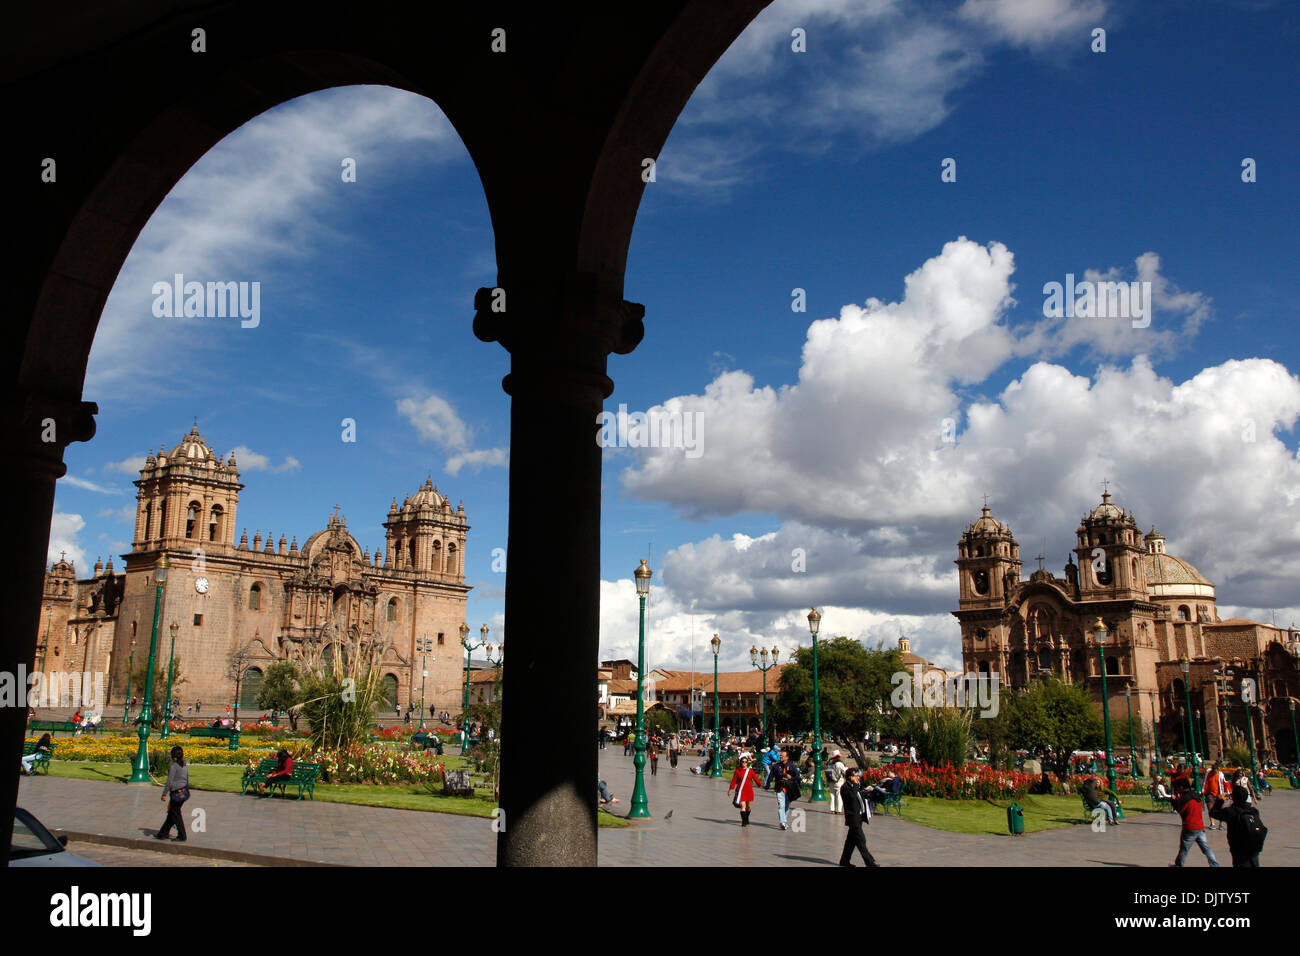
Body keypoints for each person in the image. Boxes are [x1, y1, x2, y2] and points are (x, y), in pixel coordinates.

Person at [1209, 787, 1266, 867]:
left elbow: (1213, 813)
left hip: (1239, 849)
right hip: (1253, 847)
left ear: (1234, 797)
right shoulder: (1253, 811)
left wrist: (1220, 800)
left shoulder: (1231, 811)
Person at [1172, 778, 1220, 867]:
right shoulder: (1196, 795)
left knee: (1184, 849)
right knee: (1206, 848)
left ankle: (1178, 865)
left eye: (1178, 788)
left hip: (1189, 827)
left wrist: (1175, 800)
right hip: (1200, 826)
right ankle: (1215, 864)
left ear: (1181, 787)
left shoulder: (1184, 798)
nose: (1177, 789)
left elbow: (1179, 810)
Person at [838, 767, 879, 867]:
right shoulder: (845, 787)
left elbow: (858, 796)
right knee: (861, 841)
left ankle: (844, 861)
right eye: (856, 776)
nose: (858, 778)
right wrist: (856, 786)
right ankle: (870, 863)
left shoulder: (854, 786)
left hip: (859, 816)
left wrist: (865, 791)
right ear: (850, 777)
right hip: (853, 818)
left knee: (851, 842)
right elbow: (852, 798)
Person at [155, 745, 189, 841]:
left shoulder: (174, 766)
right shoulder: (184, 765)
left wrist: (164, 794)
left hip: (176, 792)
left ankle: (182, 835)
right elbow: (187, 778)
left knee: (176, 814)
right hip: (184, 791)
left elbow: (169, 782)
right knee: (172, 813)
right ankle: (163, 833)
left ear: (173, 756)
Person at [727, 753, 759, 827]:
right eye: (743, 762)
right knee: (743, 806)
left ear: (747, 763)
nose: (744, 763)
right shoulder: (737, 771)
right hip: (741, 790)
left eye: (745, 762)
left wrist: (761, 785)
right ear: (740, 762)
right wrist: (730, 789)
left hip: (749, 790)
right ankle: (744, 821)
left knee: (748, 807)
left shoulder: (750, 771)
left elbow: (756, 779)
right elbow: (734, 781)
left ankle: (746, 818)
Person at [774, 749, 802, 830]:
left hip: (789, 789)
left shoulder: (792, 766)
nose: (780, 757)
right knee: (781, 806)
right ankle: (782, 822)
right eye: (780, 756)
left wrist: (791, 777)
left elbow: (797, 775)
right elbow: (771, 775)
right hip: (780, 788)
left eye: (782, 756)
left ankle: (784, 821)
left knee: (786, 806)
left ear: (787, 757)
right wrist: (767, 784)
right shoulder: (776, 766)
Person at [1202, 763, 1230, 829]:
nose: (1214, 771)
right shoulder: (1208, 773)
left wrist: (1227, 793)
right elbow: (1205, 782)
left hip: (1219, 794)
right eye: (1213, 769)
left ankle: (1221, 824)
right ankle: (1212, 823)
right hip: (1210, 794)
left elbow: (1225, 783)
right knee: (1210, 808)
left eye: (1215, 770)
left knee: (1221, 809)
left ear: (1218, 769)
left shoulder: (1220, 775)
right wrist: (1203, 791)